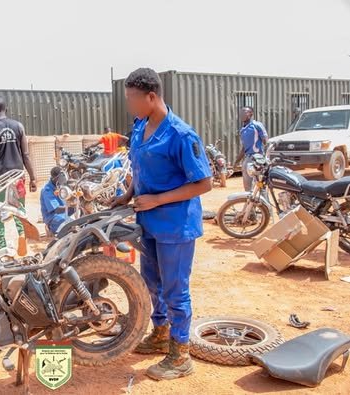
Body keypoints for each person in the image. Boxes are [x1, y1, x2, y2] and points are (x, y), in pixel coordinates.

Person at [114, 68, 212, 380]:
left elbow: (204, 184)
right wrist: (127, 194)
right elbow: (140, 168)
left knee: (175, 289)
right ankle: (160, 333)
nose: (129, 104)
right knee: (151, 282)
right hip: (150, 223)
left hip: (175, 225)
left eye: (132, 98)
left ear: (152, 97)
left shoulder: (181, 135)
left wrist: (157, 200)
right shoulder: (140, 124)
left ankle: (180, 354)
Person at [0, 97, 37, 256]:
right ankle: (22, 236)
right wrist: (33, 177)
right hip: (17, 176)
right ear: (6, 109)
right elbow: (26, 154)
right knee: (18, 209)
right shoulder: (19, 126)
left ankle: (2, 244)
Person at [234, 106, 268, 191]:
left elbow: (266, 141)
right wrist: (236, 162)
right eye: (241, 112)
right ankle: (250, 202)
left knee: (259, 183)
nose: (241, 114)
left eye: (244, 112)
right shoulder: (242, 130)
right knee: (247, 185)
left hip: (257, 158)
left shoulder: (257, 125)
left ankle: (264, 202)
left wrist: (264, 158)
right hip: (247, 159)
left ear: (251, 114)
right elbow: (244, 148)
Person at [40, 167, 71, 235]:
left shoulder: (60, 186)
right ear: (55, 178)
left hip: (64, 213)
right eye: (61, 177)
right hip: (53, 217)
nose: (63, 178)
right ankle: (49, 228)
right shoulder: (47, 190)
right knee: (70, 227)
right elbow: (56, 209)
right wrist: (71, 207)